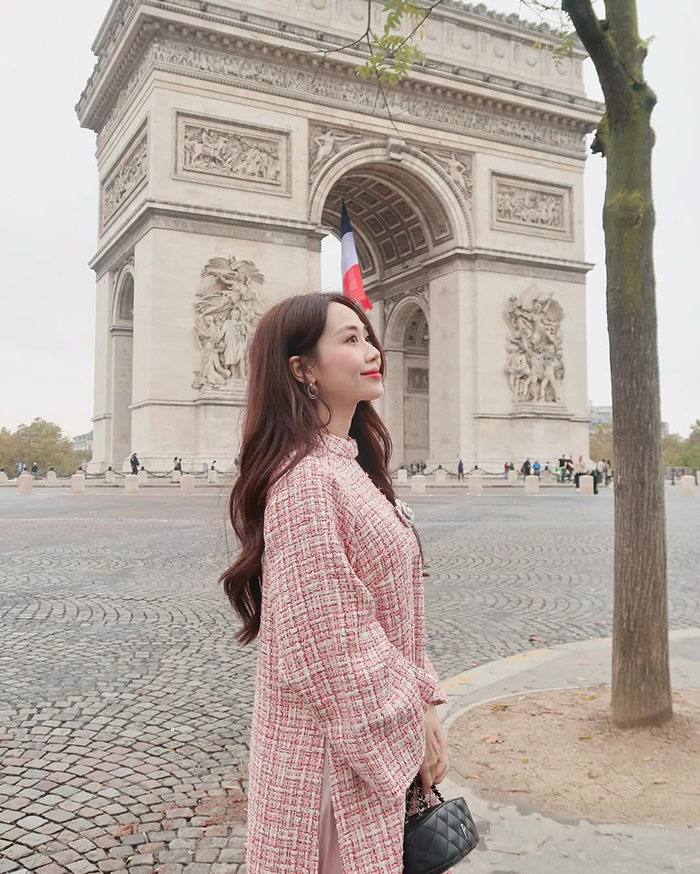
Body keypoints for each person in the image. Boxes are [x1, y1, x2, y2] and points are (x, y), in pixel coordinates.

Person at [220, 293, 448, 873]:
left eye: (368, 336)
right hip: (328, 769)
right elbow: (328, 647)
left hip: (351, 749)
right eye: (350, 339)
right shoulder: (305, 481)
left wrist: (425, 703)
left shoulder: (347, 466)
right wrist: (411, 722)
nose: (373, 350)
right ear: (302, 368)